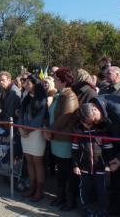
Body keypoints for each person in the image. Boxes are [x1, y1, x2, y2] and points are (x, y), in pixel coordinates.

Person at [44, 67, 79, 211]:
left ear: (64, 81)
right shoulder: (59, 95)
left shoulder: (69, 96)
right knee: (61, 171)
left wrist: (49, 130)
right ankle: (60, 197)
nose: (54, 80)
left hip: (64, 139)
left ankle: (70, 201)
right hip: (56, 139)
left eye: (56, 78)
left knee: (68, 172)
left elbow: (64, 118)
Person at [72, 103, 114, 217]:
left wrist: (110, 163)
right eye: (85, 122)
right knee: (84, 189)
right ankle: (85, 209)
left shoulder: (102, 132)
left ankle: (102, 210)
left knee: (101, 190)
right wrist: (75, 165)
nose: (87, 124)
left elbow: (108, 149)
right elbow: (74, 151)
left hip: (99, 167)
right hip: (84, 167)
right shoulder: (78, 134)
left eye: (89, 122)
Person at [18, 75, 48, 202]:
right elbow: (21, 113)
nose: (25, 84)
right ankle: (32, 187)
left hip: (35, 133)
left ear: (35, 84)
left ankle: (39, 190)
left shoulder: (42, 98)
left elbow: (40, 118)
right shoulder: (26, 97)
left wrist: (27, 130)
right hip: (24, 133)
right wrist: (20, 128)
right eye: (25, 83)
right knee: (29, 160)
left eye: (28, 83)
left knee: (37, 162)